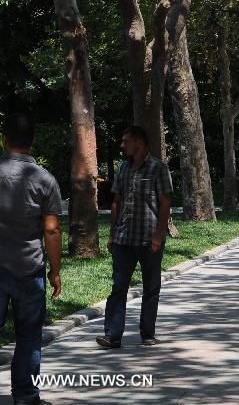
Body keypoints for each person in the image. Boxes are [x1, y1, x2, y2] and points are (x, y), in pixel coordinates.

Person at [0, 113, 62, 405]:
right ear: (32, 141)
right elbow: (51, 229)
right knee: (28, 336)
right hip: (29, 267)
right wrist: (55, 271)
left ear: (5, 138)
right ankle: (25, 395)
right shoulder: (44, 179)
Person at [97, 125, 173, 350]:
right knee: (118, 287)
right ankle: (112, 335)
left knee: (151, 287)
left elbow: (166, 202)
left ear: (138, 143)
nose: (123, 145)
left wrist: (159, 235)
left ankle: (147, 333)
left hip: (149, 239)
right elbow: (116, 201)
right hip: (123, 238)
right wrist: (112, 234)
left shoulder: (158, 168)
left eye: (126, 141)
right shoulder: (123, 168)